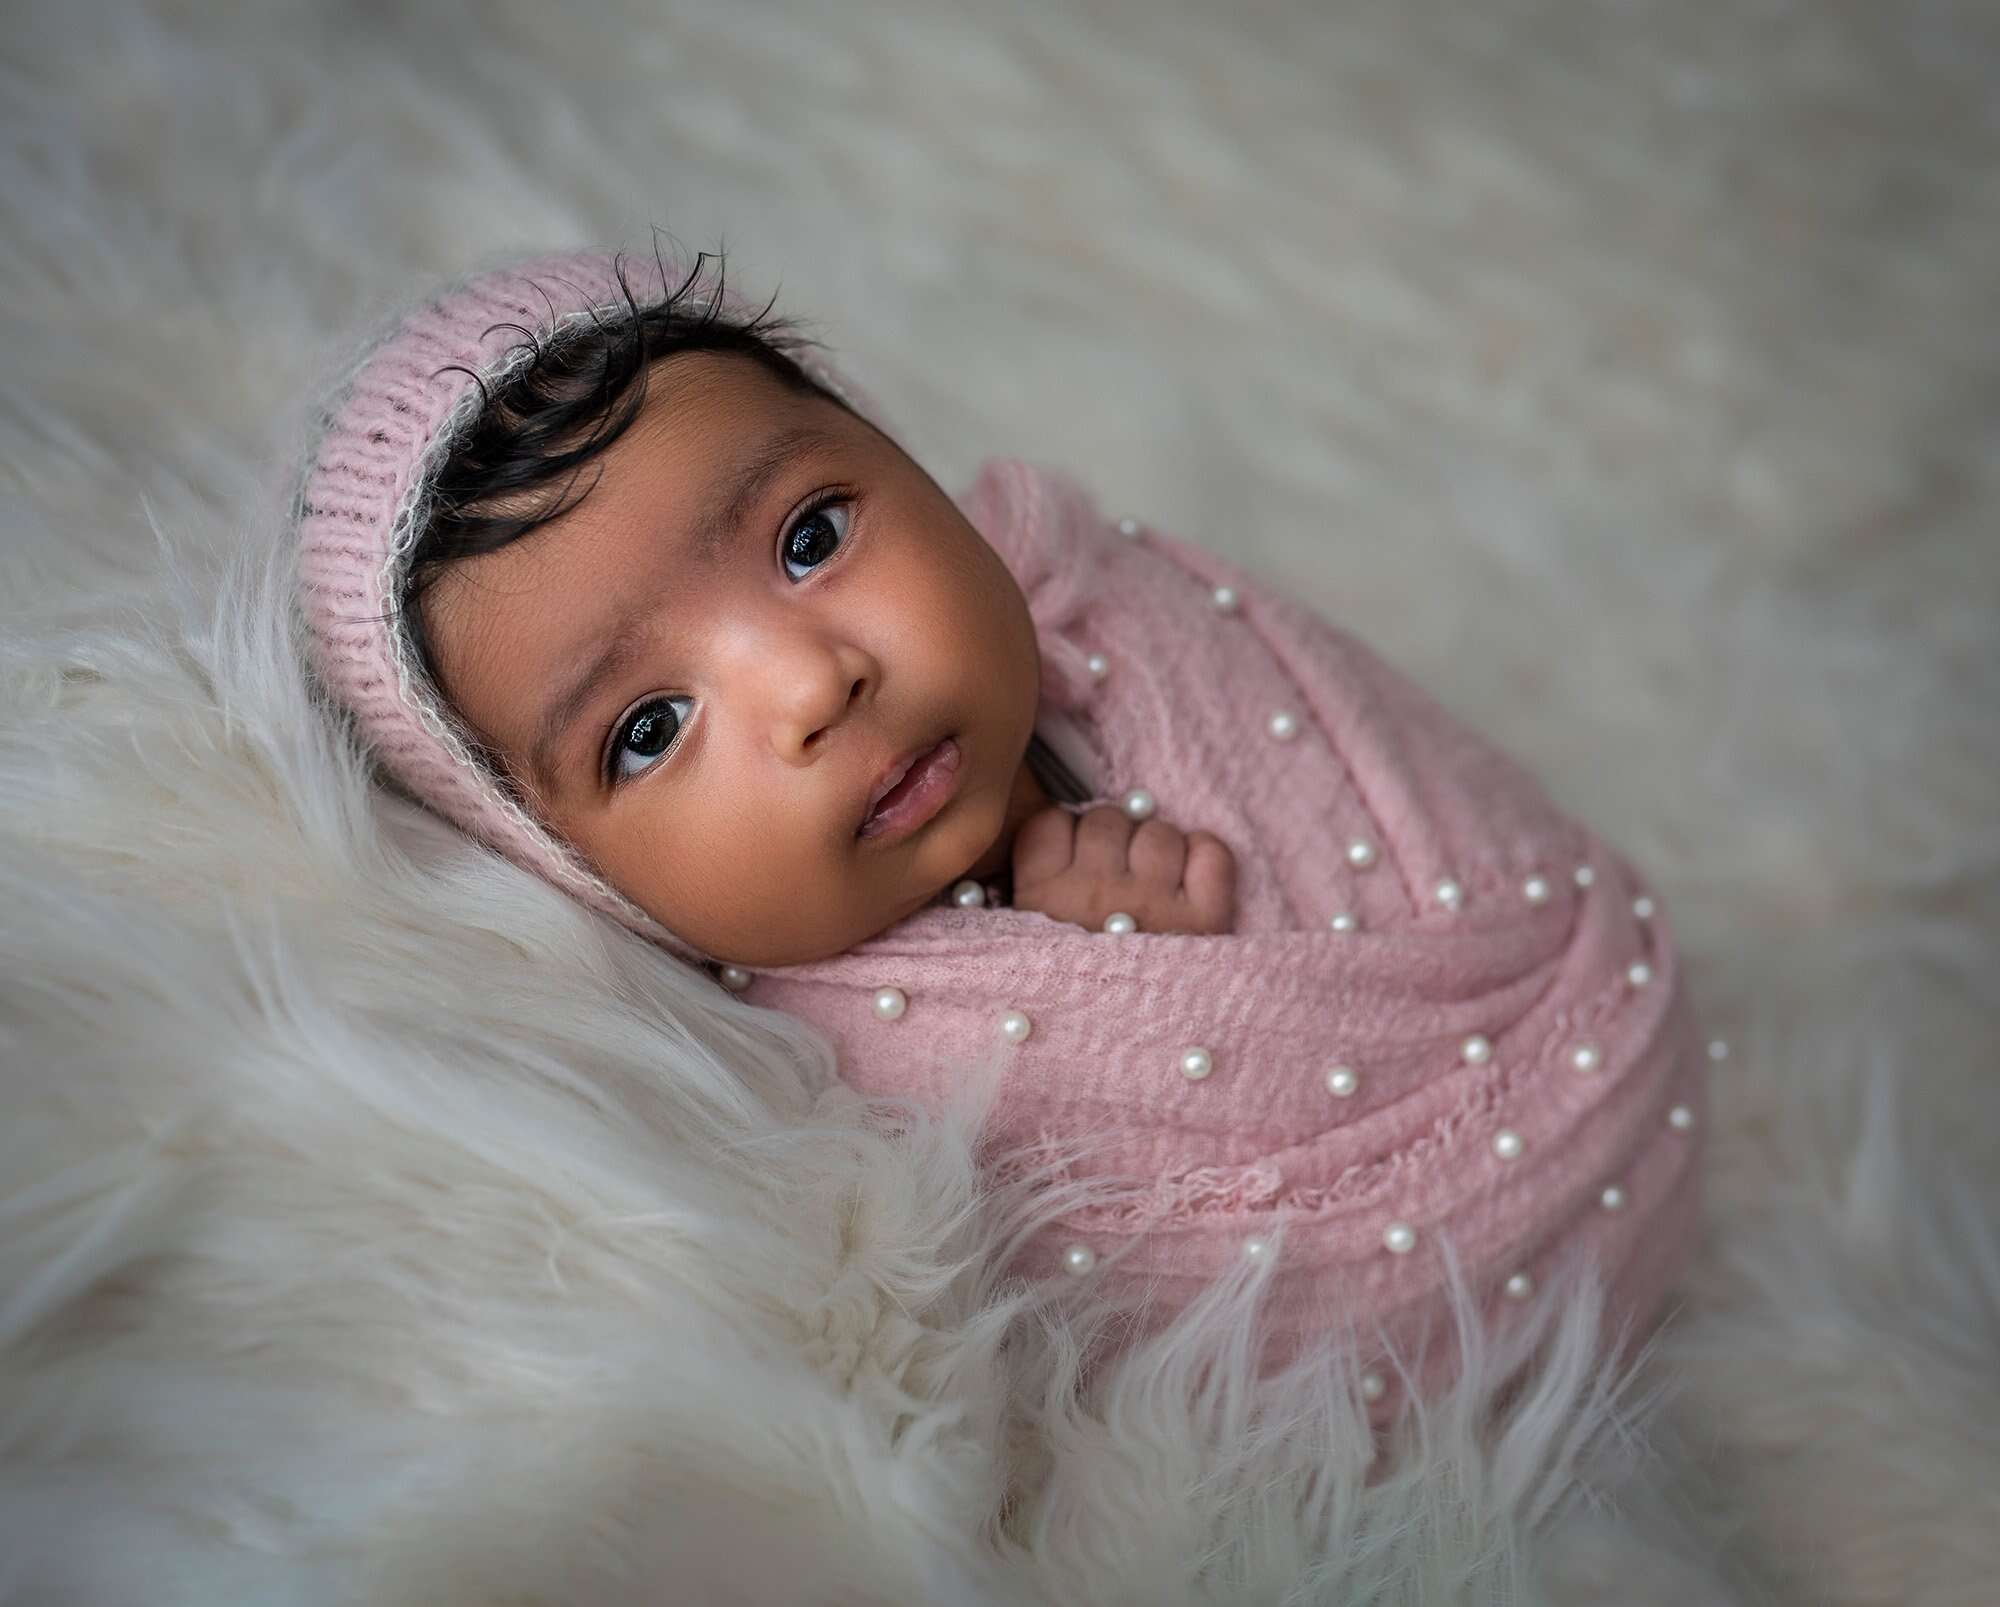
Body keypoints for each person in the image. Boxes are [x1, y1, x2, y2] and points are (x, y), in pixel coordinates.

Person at [291, 239, 1709, 1406]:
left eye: (809, 537)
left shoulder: (1130, 613)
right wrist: (1130, 977)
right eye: (649, 728)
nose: (813, 684)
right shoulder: (813, 1110)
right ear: (571, 873)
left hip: (1615, 1052)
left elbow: (1404, 795)